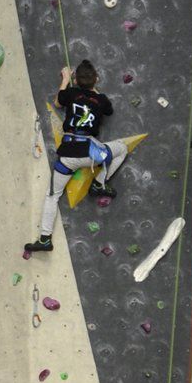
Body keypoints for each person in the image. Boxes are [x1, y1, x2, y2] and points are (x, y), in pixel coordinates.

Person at [25, 60, 128, 253]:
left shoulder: (71, 93)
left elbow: (58, 102)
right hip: (91, 153)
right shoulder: (101, 100)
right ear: (96, 79)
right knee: (121, 149)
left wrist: (65, 79)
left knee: (52, 196)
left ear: (76, 80)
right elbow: (109, 110)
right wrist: (94, 88)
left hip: (68, 156)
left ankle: (45, 238)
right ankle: (99, 183)